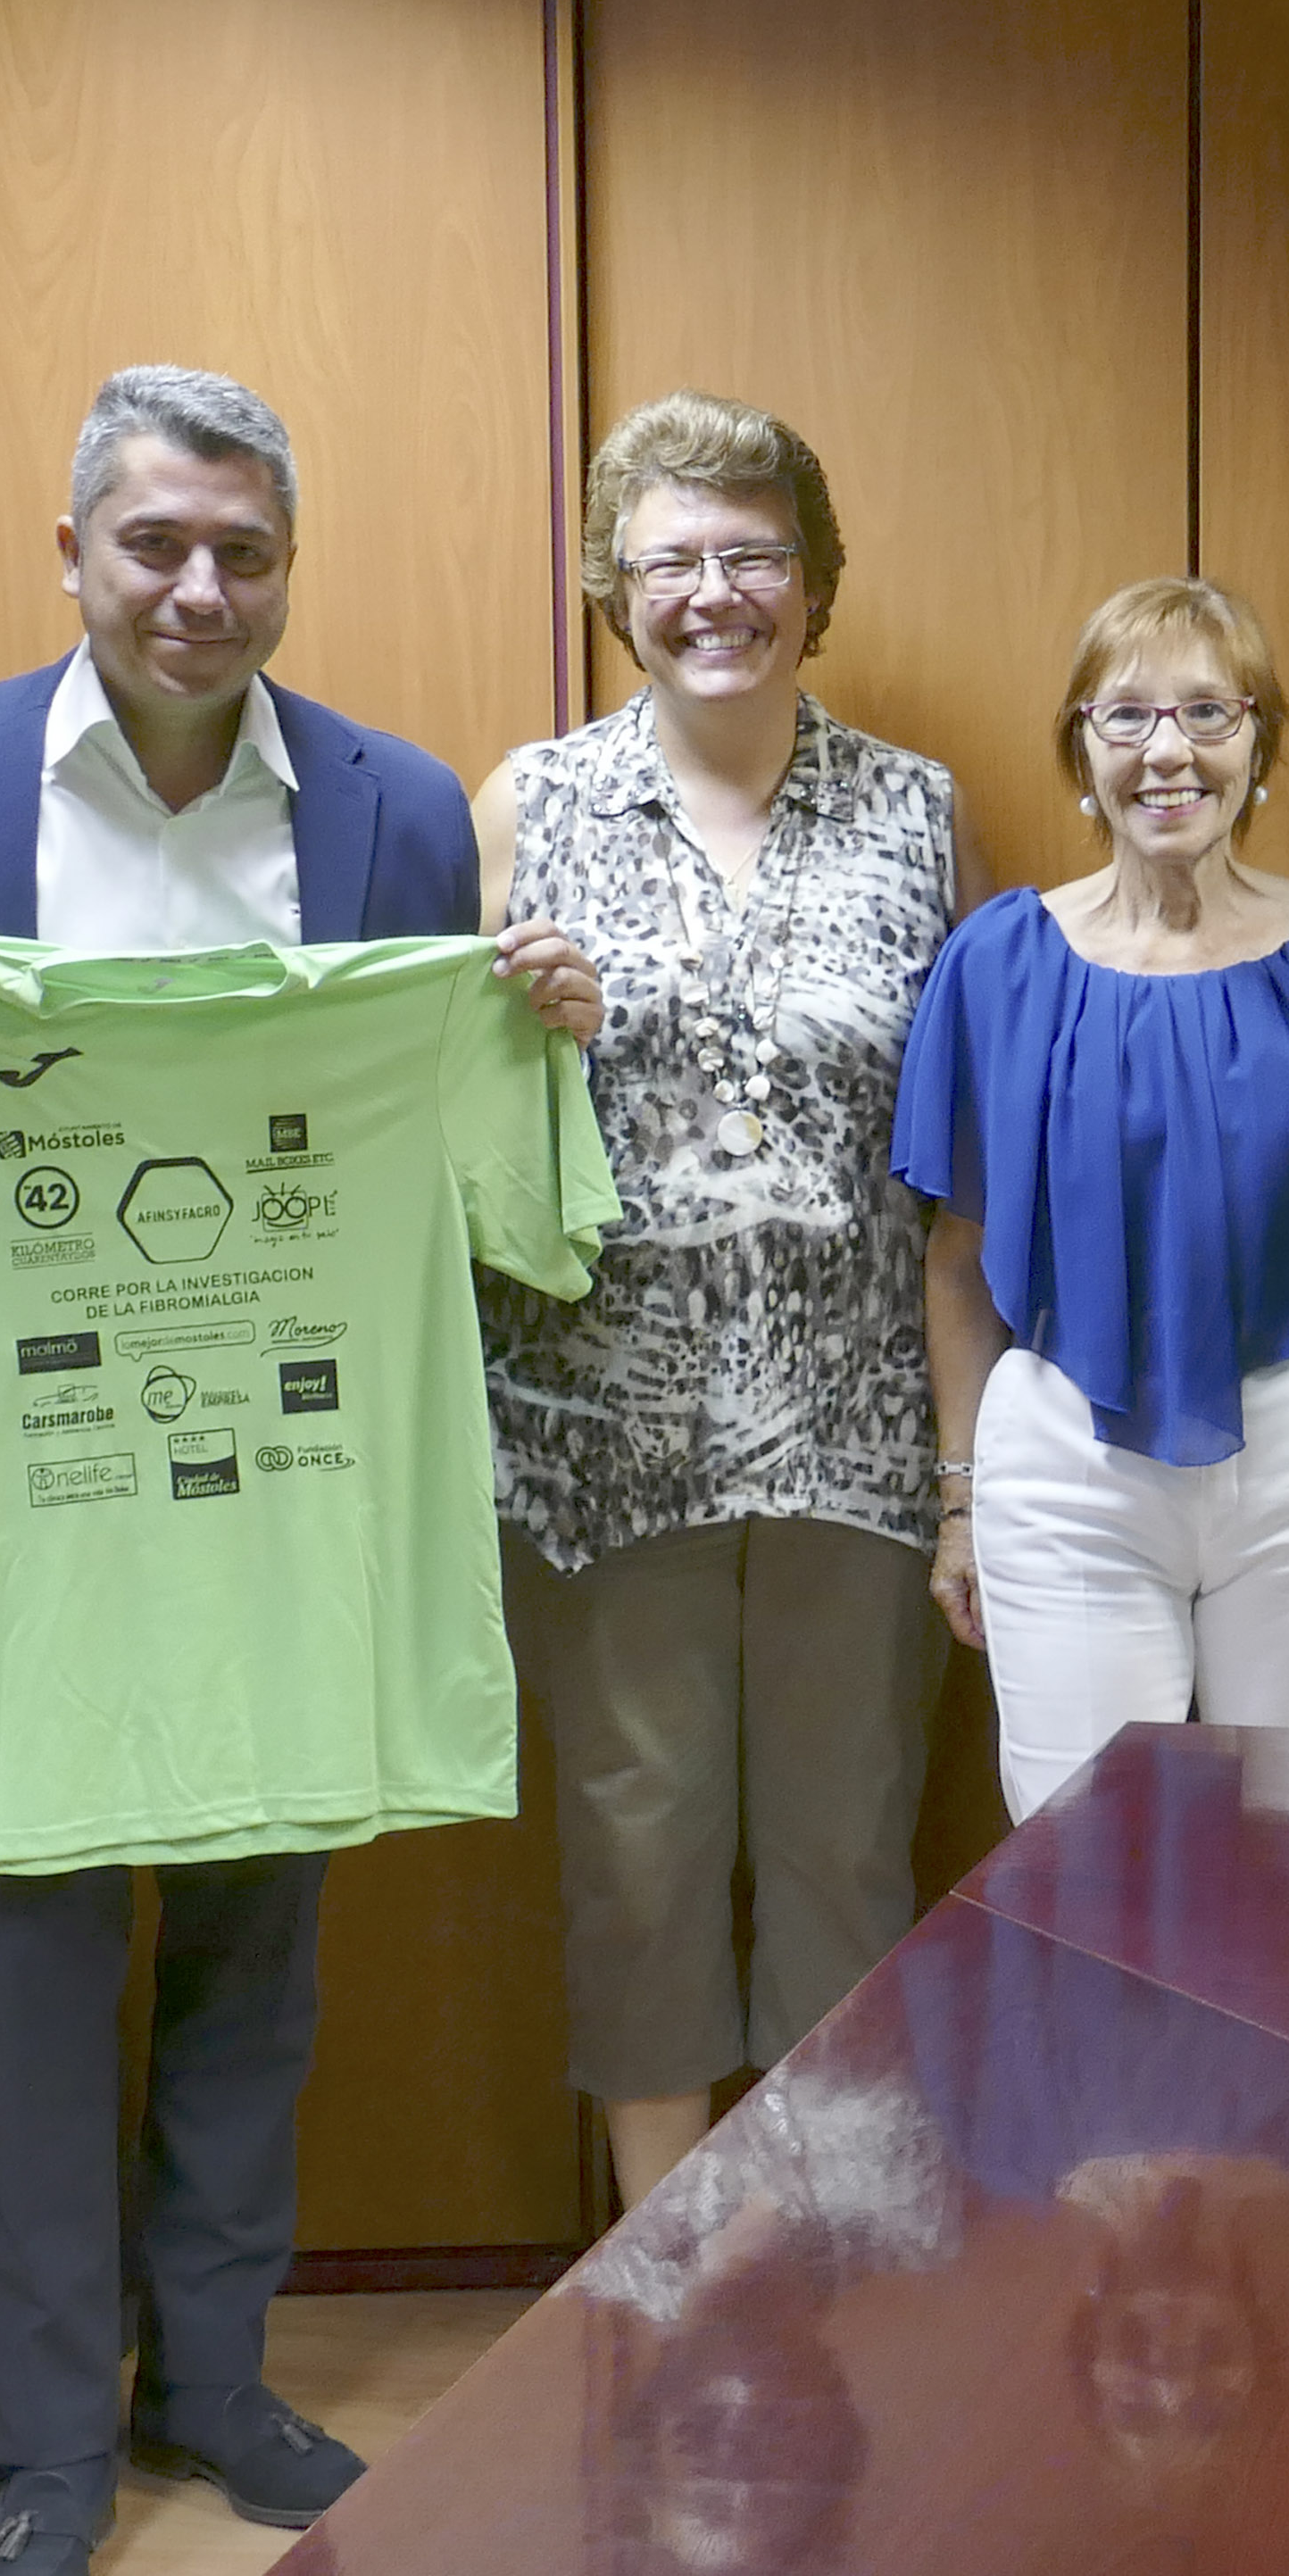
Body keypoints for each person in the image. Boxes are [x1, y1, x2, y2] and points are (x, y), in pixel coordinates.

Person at [0, 363, 605, 2576]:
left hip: (283, 1485)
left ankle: (217, 2383)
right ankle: (47, 2457)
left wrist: (538, 1021)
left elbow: (430, 1108)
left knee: (260, 1963)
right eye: (155, 543)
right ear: (74, 551)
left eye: (242, 552)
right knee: (20, 1976)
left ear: (288, 568)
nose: (198, 588)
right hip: (18, 1494)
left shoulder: (392, 809)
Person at [476, 392, 976, 2225]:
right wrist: (520, 1029)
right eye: (672, 558)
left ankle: (828, 2247)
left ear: (814, 581)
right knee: (639, 1856)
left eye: (754, 553)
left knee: (847, 1849)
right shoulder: (531, 803)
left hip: (858, 1423)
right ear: (616, 585)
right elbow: (459, 1114)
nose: (715, 592)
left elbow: (956, 1138)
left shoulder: (916, 808)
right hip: (604, 1433)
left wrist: (962, 1468)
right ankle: (670, 2269)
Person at [900, 579, 1289, 1819]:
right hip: (1069, 1455)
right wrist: (959, 1503)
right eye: (1126, 716)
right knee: (1079, 1855)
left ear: (1258, 745)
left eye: (1208, 712)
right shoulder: (999, 963)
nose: (1167, 750)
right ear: (1083, 752)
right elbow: (958, 1257)